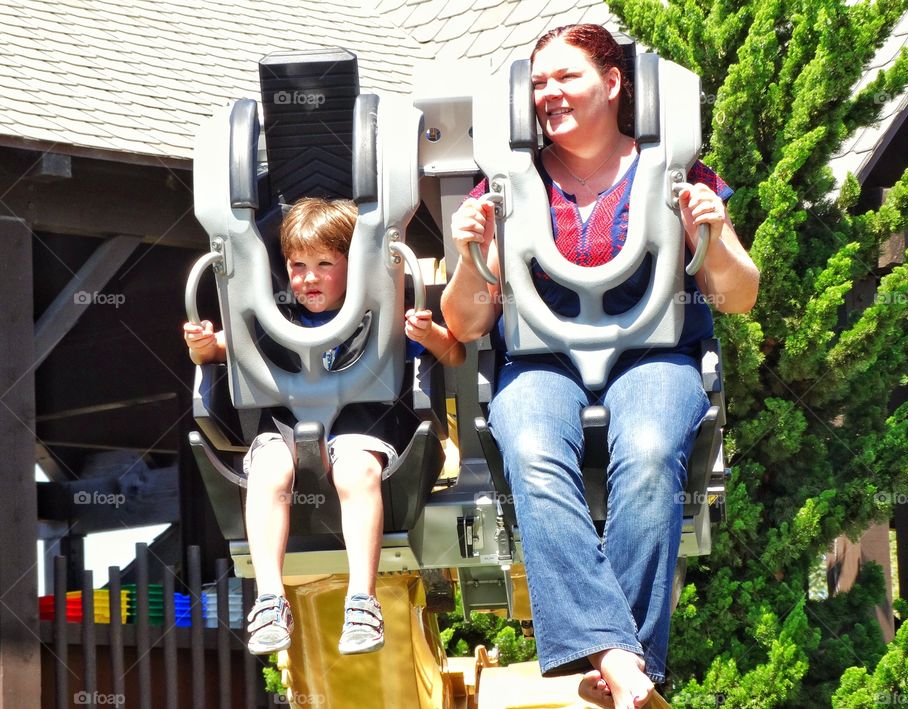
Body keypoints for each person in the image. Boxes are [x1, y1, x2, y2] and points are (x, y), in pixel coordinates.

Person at [440, 24, 759, 709]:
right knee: (527, 444)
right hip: (541, 361)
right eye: (538, 83)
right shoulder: (497, 184)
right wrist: (470, 256)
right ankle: (625, 663)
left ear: (613, 83)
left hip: (654, 354)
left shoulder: (678, 171)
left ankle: (613, 661)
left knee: (647, 450)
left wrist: (715, 234)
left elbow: (738, 297)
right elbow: (465, 324)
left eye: (566, 77)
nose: (547, 93)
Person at [184, 197, 465, 656]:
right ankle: (270, 598)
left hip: (363, 424)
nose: (308, 277)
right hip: (289, 425)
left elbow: (452, 354)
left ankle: (362, 599)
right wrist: (199, 345)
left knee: (356, 471)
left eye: (323, 263)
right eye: (297, 265)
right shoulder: (277, 318)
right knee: (268, 469)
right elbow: (219, 350)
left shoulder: (382, 314)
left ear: (354, 266)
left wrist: (426, 333)